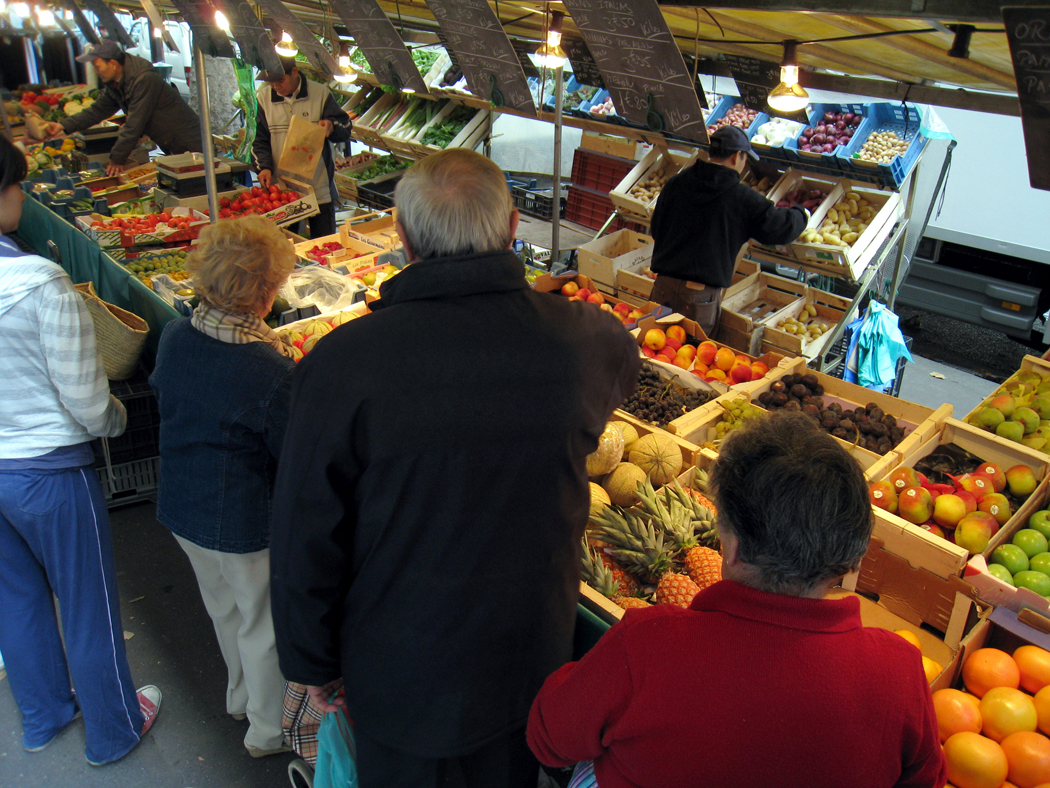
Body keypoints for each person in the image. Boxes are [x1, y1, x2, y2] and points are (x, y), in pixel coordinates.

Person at [269, 148, 640, 788]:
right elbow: (619, 378)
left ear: (402, 236)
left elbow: (305, 531)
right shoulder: (588, 339)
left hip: (399, 666)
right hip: (525, 656)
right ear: (514, 227)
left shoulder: (341, 363)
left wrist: (312, 660)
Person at [527, 411, 947, 788]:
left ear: (732, 547)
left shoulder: (646, 643)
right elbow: (925, 778)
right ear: (852, 559)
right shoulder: (900, 670)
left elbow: (549, 739)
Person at [0, 133, 162, 766]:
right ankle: (115, 729)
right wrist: (117, 418)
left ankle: (44, 717)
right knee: (88, 602)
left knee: (14, 597)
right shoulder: (40, 281)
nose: (21, 195)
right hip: (49, 472)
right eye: (16, 184)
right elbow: (87, 401)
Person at [149, 216, 298, 758]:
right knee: (263, 624)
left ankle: (239, 697)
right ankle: (267, 731)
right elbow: (292, 448)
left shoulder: (176, 334)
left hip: (181, 503)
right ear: (263, 292)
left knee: (225, 611)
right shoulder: (267, 369)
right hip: (239, 518)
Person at [648, 125, 808, 336]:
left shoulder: (676, 183)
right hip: (699, 299)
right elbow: (779, 229)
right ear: (736, 156)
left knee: (652, 347)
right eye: (744, 158)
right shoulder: (741, 197)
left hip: (663, 287)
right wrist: (801, 213)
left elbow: (656, 229)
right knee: (689, 354)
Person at [44, 40, 202, 176]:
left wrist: (117, 159)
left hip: (188, 142)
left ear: (113, 64)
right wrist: (63, 126)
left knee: (196, 183)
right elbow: (96, 111)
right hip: (171, 142)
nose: (96, 72)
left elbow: (135, 123)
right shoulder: (116, 84)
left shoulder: (143, 79)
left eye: (97, 67)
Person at [252, 56, 352, 239]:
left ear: (294, 72)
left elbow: (345, 129)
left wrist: (331, 126)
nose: (275, 86)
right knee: (284, 245)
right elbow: (259, 140)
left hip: (318, 187)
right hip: (281, 191)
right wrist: (264, 167)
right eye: (270, 82)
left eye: (280, 80)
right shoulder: (263, 99)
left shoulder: (320, 94)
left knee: (324, 243)